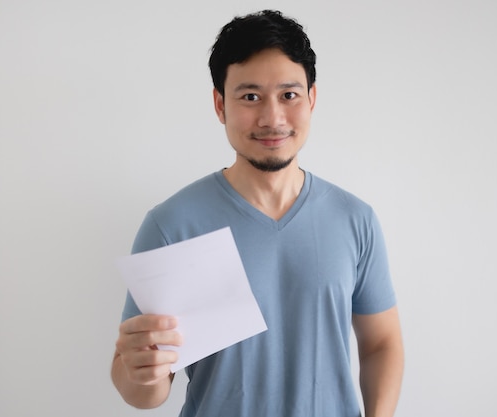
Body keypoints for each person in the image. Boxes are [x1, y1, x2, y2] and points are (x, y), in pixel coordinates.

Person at [111, 9, 404, 417]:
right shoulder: (172, 224)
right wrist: (139, 371)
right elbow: (145, 391)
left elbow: (381, 344)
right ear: (220, 105)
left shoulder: (355, 220)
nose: (272, 118)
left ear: (312, 98)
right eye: (250, 97)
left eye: (289, 95)